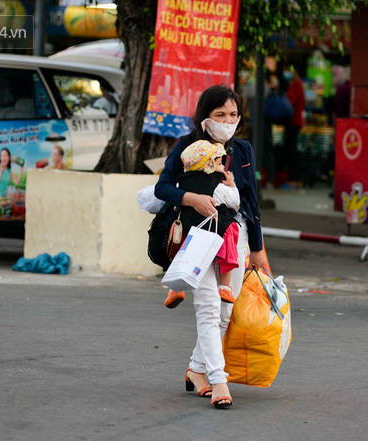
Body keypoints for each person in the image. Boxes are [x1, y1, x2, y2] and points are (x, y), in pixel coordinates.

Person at [155, 85, 265, 409]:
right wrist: (193, 199)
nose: (228, 120)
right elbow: (162, 187)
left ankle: (195, 369)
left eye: (233, 114)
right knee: (207, 307)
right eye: (220, 114)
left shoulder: (242, 150)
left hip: (235, 236)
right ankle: (219, 381)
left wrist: (258, 248)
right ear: (206, 117)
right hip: (196, 235)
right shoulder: (186, 146)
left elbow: (252, 201)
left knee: (225, 313)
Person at [164, 140, 241, 309]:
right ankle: (225, 287)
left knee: (185, 258)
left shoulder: (182, 183)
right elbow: (235, 202)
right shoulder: (217, 187)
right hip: (215, 230)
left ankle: (175, 290)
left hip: (190, 228)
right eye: (220, 164)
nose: (223, 168)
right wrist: (232, 185)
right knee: (226, 252)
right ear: (208, 166)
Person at [282, 66, 306, 188]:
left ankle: (294, 179)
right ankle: (294, 178)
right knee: (292, 150)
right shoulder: (297, 84)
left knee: (292, 151)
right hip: (294, 121)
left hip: (294, 122)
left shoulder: (296, 84)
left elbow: (289, 100)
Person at [0, 148, 25, 220]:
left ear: (9, 157)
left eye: (5, 156)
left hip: (4, 199)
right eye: (1, 156)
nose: (3, 158)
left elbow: (16, 182)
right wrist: (0, 171)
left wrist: (21, 170)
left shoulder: (8, 170)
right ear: (0, 158)